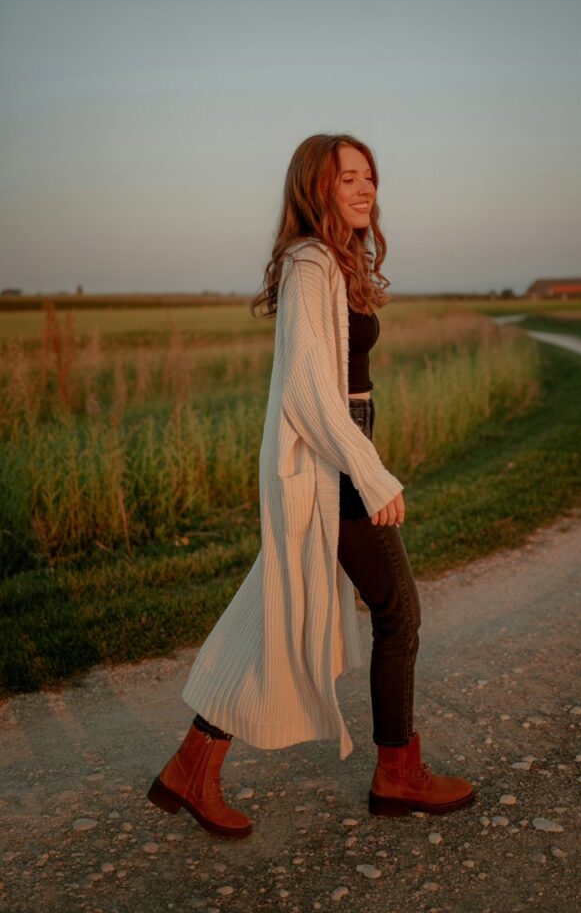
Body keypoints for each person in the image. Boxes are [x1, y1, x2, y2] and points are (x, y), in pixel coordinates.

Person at [146, 133, 475, 838]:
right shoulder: (308, 264)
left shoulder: (334, 261)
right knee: (398, 611)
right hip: (332, 464)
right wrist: (368, 468)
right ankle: (397, 773)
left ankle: (192, 764)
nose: (364, 188)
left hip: (340, 452)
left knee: (277, 609)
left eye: (368, 176)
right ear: (313, 189)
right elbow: (306, 387)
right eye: (346, 178)